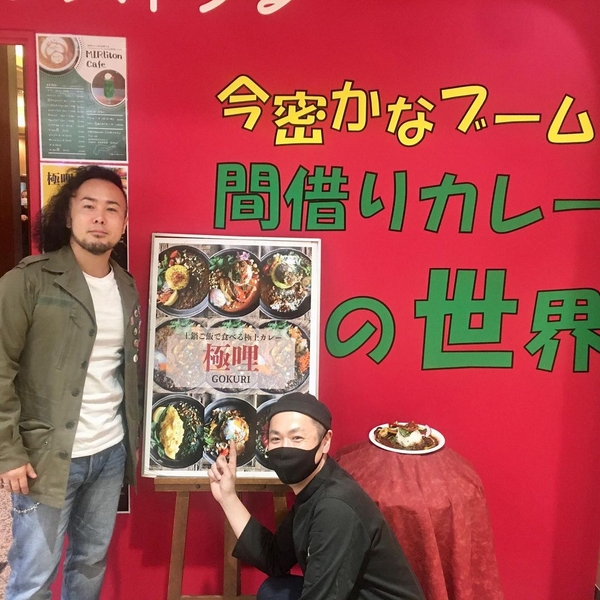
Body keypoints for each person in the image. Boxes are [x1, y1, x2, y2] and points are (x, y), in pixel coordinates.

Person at [0, 165, 142, 599]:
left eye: (112, 209)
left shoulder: (126, 287)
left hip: (109, 451)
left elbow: (124, 370)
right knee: (34, 575)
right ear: (68, 215)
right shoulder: (28, 280)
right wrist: (8, 452)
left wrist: (132, 440)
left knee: (89, 562)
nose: (99, 217)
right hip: (46, 455)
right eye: (88, 206)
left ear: (124, 223)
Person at [209, 392, 425, 600]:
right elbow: (274, 558)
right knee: (273, 591)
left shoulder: (334, 507)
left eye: (297, 438)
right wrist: (228, 498)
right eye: (276, 438)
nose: (284, 448)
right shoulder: (312, 488)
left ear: (325, 441)